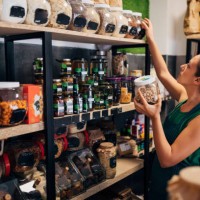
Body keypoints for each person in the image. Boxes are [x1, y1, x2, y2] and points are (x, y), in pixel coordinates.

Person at [134, 18, 200, 200]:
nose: (182, 66)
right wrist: (151, 39)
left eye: (189, 66)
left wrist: (154, 116)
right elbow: (163, 73)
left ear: (197, 80)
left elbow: (167, 159)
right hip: (160, 185)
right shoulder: (184, 97)